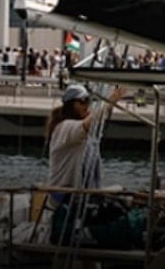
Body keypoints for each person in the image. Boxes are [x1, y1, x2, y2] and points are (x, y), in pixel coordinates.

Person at [44, 83, 127, 248]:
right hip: (65, 198)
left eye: (88, 101)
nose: (87, 105)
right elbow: (89, 123)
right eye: (83, 101)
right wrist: (109, 101)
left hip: (83, 198)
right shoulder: (65, 127)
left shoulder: (81, 133)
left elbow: (96, 121)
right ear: (71, 105)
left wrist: (111, 102)